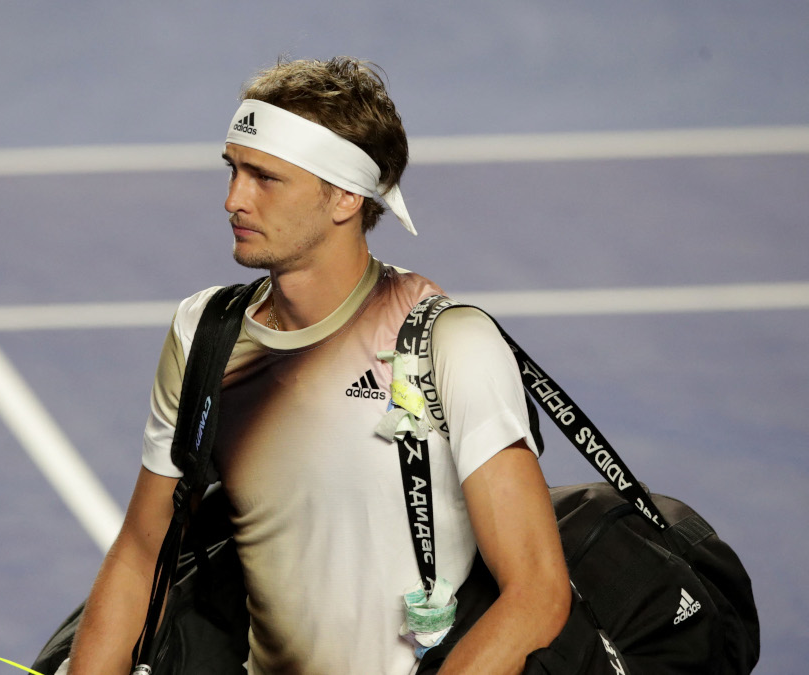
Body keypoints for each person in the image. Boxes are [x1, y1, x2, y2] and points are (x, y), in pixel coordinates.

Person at [66, 56, 570, 675]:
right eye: (233, 171)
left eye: (265, 178)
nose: (232, 200)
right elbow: (143, 553)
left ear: (344, 197)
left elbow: (537, 592)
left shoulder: (450, 344)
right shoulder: (205, 335)